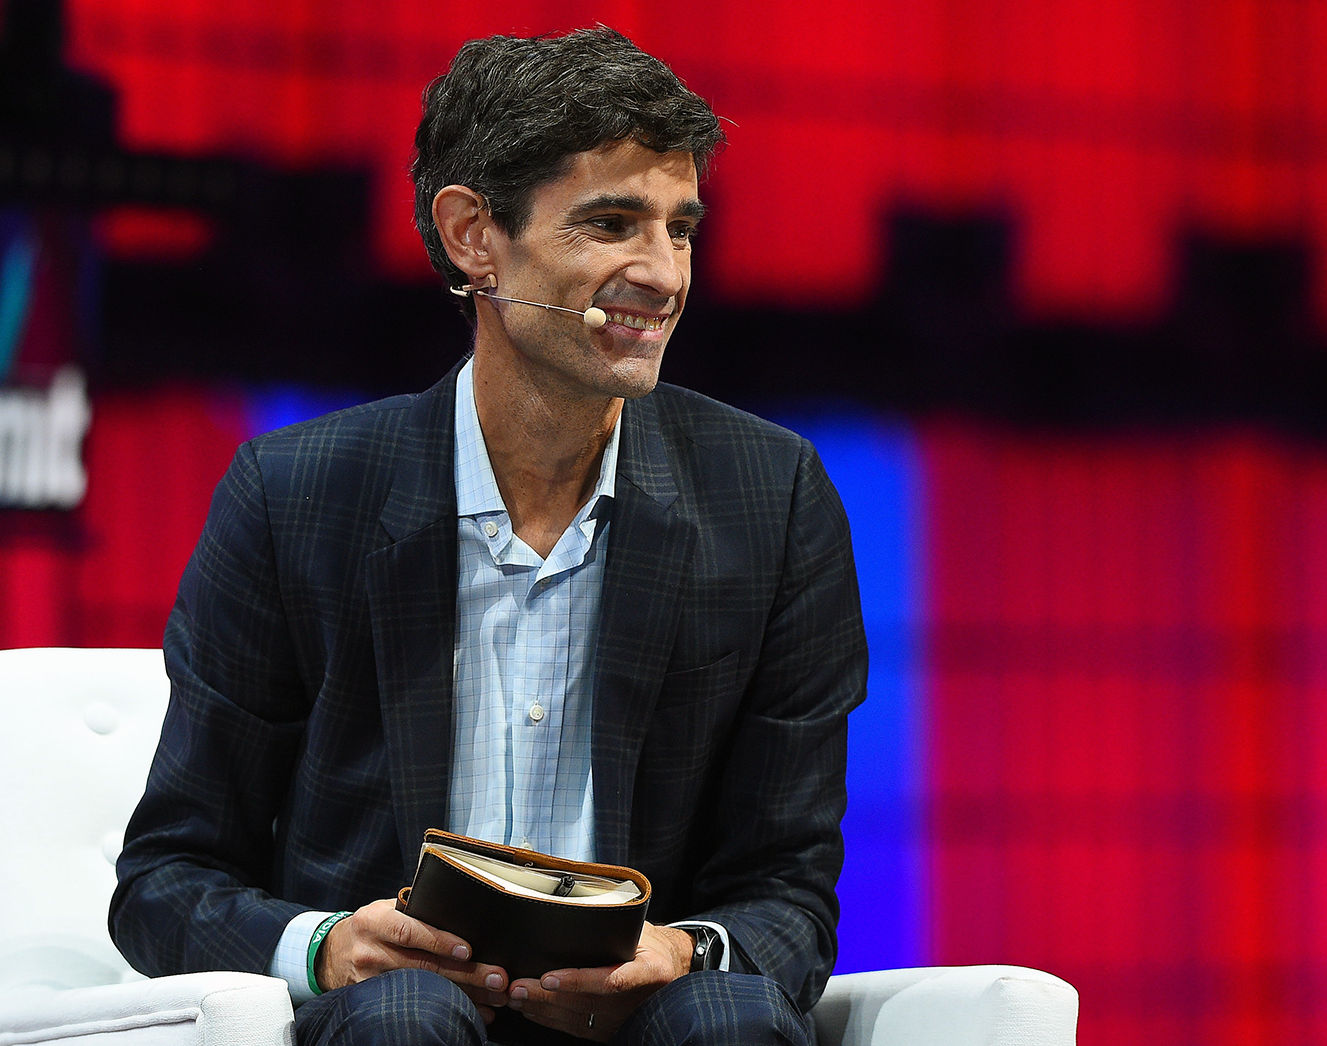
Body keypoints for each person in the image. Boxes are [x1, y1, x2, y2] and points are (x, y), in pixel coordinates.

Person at [109, 27, 868, 1046]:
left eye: (679, 229)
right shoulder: (294, 493)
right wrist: (328, 943)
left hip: (646, 1020)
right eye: (612, 223)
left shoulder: (773, 497)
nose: (663, 273)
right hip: (397, 1017)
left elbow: (788, 890)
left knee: (727, 1013)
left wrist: (681, 950)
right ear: (474, 235)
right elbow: (165, 880)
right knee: (405, 1013)